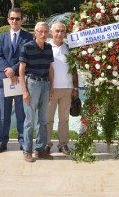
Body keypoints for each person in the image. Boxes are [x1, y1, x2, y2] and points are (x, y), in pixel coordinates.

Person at [0, 8, 33, 154]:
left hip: (20, 80)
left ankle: (23, 142)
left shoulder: (28, 37)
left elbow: (27, 56)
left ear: (22, 20)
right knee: (4, 114)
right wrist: (8, 71)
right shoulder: (1, 37)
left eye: (17, 18)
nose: (14, 21)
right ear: (8, 20)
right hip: (5, 80)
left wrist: (14, 70)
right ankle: (2, 142)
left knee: (20, 113)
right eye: (12, 18)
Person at [19, 22, 55, 162]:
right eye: (40, 31)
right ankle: (27, 151)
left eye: (46, 31)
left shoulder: (49, 47)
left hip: (45, 84)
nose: (43, 34)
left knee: (43, 120)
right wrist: (24, 91)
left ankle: (40, 150)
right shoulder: (27, 47)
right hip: (32, 84)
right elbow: (21, 70)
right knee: (29, 120)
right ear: (35, 32)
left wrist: (52, 86)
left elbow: (50, 69)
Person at [46, 22, 79, 155]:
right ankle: (46, 144)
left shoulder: (69, 48)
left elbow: (74, 69)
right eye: (57, 31)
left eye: (62, 31)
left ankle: (63, 144)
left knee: (64, 119)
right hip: (51, 90)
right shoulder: (46, 47)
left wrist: (75, 87)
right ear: (52, 32)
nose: (60, 34)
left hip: (67, 89)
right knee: (48, 119)